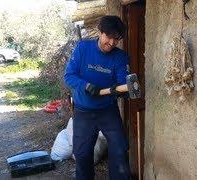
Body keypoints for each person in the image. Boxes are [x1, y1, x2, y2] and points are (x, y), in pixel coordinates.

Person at [64, 15, 131, 180]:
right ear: (100, 32)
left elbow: (123, 82)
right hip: (83, 111)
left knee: (119, 149)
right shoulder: (82, 49)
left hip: (107, 110)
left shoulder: (120, 57)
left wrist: (121, 91)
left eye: (117, 39)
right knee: (82, 153)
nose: (112, 42)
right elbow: (69, 76)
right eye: (109, 37)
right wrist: (86, 86)